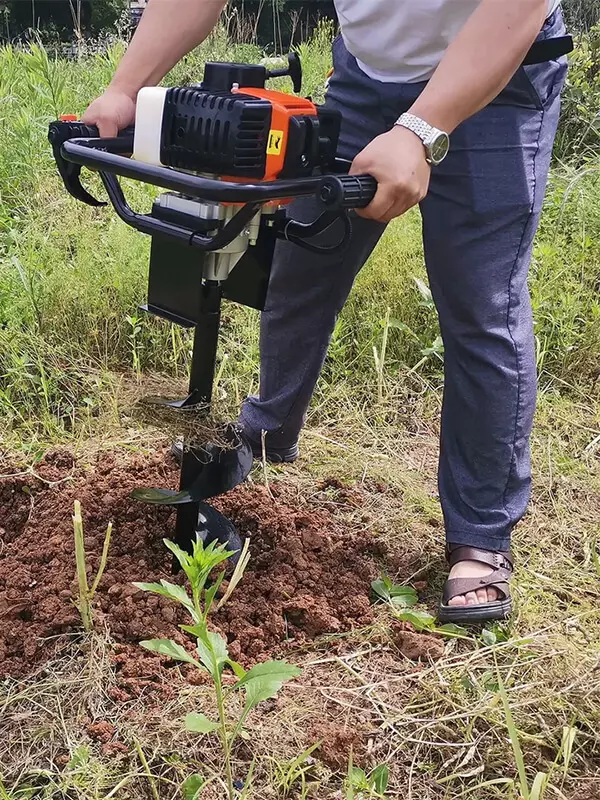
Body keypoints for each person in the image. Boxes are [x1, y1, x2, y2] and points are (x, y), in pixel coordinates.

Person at [83, 0, 569, 623]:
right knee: (300, 266)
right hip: (368, 74)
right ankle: (261, 436)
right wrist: (128, 86)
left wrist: (421, 130)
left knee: (481, 306)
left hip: (500, 71)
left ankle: (480, 535)